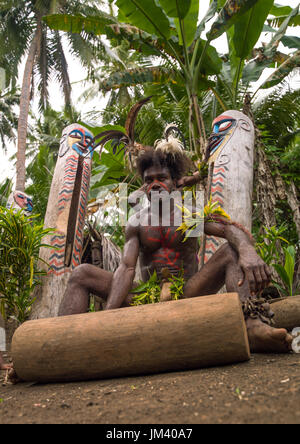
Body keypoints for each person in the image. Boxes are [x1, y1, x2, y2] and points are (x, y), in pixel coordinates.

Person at [58, 142, 292, 353]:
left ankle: (251, 326)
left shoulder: (188, 214)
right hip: (145, 296)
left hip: (191, 292)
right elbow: (127, 268)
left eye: (162, 178)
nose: (155, 184)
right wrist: (109, 315)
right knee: (81, 274)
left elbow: (230, 229)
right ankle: (59, 341)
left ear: (175, 182)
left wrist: (248, 251)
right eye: (149, 180)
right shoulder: (137, 221)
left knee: (232, 250)